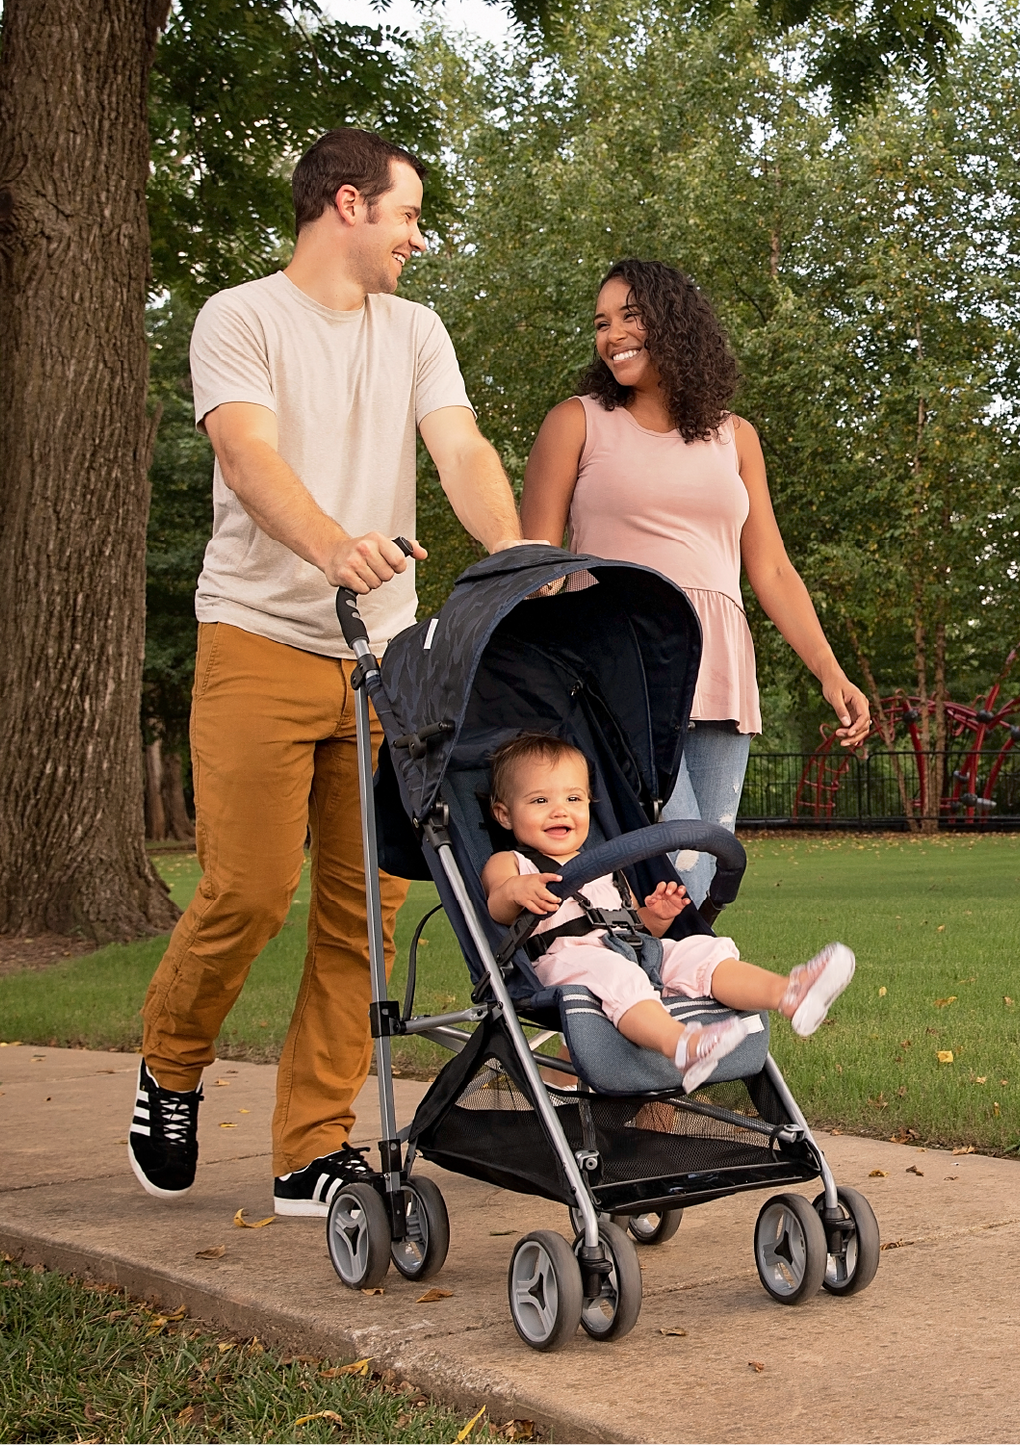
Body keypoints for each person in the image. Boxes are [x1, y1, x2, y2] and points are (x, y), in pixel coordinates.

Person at [130, 129, 522, 1217]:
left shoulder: (416, 330)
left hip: (383, 659)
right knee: (247, 891)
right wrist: (331, 544)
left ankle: (312, 1145)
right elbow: (249, 456)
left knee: (366, 910)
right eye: (406, 214)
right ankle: (170, 1064)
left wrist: (515, 553)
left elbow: (461, 449)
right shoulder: (239, 316)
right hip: (256, 633)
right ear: (347, 204)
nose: (416, 236)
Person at [520, 259, 872, 906]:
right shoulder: (576, 422)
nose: (612, 334)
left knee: (706, 868)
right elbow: (533, 566)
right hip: (619, 664)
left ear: (674, 324)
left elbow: (768, 568)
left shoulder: (735, 438)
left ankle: (673, 999)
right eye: (601, 322)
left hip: (717, 663)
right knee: (666, 862)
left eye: (630, 315)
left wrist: (829, 670)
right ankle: (655, 999)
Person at [480, 733, 854, 1093]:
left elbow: (628, 924)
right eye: (540, 801)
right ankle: (683, 1046)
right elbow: (497, 903)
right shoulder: (511, 862)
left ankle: (789, 992)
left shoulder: (603, 864)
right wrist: (516, 890)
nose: (560, 810)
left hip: (632, 949)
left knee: (701, 950)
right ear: (504, 814)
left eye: (574, 798)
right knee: (617, 973)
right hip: (566, 961)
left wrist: (653, 917)